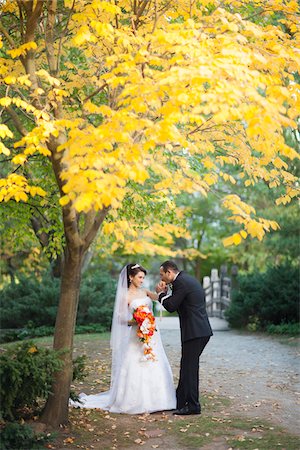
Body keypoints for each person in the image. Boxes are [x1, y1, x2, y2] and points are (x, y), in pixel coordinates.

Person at [70, 263, 176, 414]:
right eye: (140, 277)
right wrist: (138, 321)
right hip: (136, 334)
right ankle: (134, 401)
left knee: (155, 361)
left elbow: (160, 299)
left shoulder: (145, 292)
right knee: (135, 363)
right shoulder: (125, 296)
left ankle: (161, 400)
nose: (142, 280)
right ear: (130, 277)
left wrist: (163, 290)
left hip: (152, 335)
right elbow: (120, 318)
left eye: (143, 277)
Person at [155, 260, 213, 416]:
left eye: (162, 274)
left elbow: (172, 306)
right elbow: (178, 303)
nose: (161, 278)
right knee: (186, 367)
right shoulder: (184, 279)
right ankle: (180, 401)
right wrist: (166, 295)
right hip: (197, 331)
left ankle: (193, 406)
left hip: (195, 332)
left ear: (169, 272)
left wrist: (160, 294)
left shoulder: (181, 282)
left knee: (190, 369)